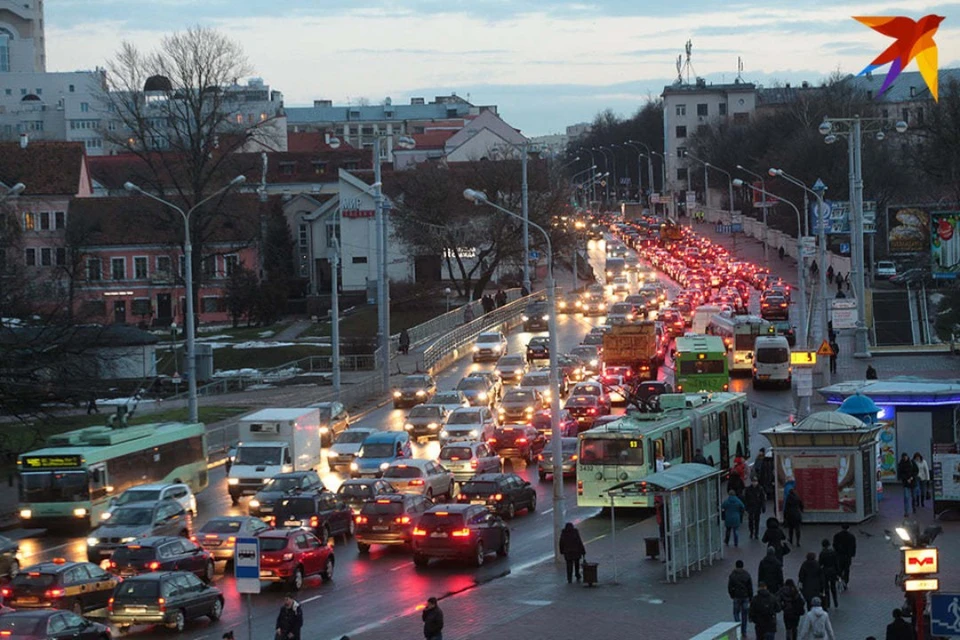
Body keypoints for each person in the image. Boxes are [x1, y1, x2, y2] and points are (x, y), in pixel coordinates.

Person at [728, 559, 754, 639]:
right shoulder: (747, 574)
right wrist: (750, 597)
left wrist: (732, 595)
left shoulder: (733, 575)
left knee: (736, 613)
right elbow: (750, 587)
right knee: (744, 615)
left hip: (736, 596)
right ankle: (744, 631)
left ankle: (737, 626)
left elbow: (729, 586)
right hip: (745, 597)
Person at [818, 539, 840, 610]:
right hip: (833, 571)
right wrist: (838, 572)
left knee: (826, 588)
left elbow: (820, 563)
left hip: (825, 571)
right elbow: (836, 563)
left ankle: (828, 603)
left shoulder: (822, 553)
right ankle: (835, 601)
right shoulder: (833, 552)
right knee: (833, 586)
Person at [897, 453, 917, 518]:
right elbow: (900, 474)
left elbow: (916, 470)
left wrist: (912, 477)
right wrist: (906, 479)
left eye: (906, 457)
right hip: (906, 483)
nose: (905, 458)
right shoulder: (901, 464)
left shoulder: (912, 462)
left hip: (912, 482)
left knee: (913, 496)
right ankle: (906, 512)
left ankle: (914, 507)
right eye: (904, 457)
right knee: (906, 497)